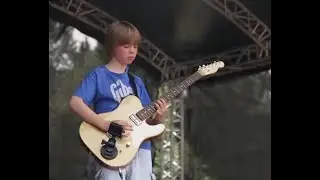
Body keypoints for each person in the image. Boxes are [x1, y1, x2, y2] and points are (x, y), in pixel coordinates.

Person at [69, 21, 168, 180]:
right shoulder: (98, 75)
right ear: (113, 46)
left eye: (135, 47)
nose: (132, 51)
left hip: (139, 148)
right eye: (127, 46)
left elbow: (147, 124)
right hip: (109, 145)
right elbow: (75, 102)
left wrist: (158, 118)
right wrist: (107, 125)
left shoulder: (137, 82)